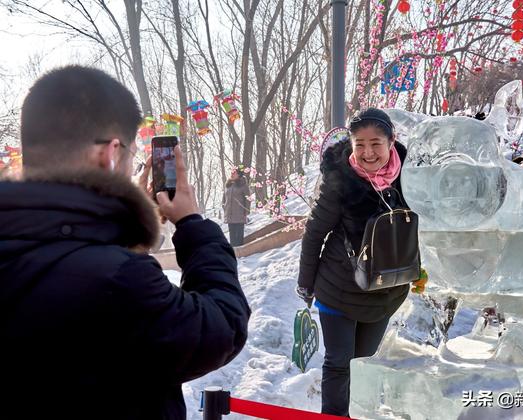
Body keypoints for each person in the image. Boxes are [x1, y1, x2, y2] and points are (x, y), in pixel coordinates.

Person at [0, 66, 251, 419]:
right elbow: (220, 327)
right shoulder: (118, 280)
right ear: (111, 153)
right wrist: (193, 225)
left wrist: (121, 226)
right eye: (132, 154)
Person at [296, 108, 415, 416]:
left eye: (375, 143)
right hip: (338, 288)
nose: (367, 152)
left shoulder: (412, 177)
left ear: (392, 140)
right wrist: (306, 283)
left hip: (385, 292)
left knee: (362, 365)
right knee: (339, 362)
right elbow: (314, 234)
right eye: (359, 144)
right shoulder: (341, 180)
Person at [223, 168, 251, 247]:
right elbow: (224, 198)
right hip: (229, 215)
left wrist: (246, 211)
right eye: (231, 172)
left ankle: (240, 253)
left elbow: (248, 199)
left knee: (238, 237)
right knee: (232, 237)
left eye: (234, 173)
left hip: (239, 215)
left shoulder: (243, 185)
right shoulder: (228, 185)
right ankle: (233, 253)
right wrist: (224, 207)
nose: (231, 174)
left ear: (239, 175)